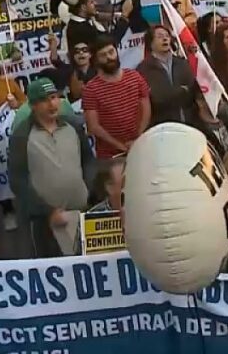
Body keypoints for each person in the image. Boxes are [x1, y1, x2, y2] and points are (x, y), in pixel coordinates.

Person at [8, 78, 95, 258]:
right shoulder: (22, 135)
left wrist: (89, 192)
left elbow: (88, 161)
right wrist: (48, 211)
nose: (52, 104)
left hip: (82, 214)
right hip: (46, 222)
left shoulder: (73, 126)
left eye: (54, 97)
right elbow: (18, 181)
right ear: (32, 105)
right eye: (44, 100)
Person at [83, 36, 151, 159]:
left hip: (140, 146)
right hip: (111, 156)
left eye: (111, 52)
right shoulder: (91, 89)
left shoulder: (135, 77)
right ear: (96, 60)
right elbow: (94, 127)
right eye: (103, 55)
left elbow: (146, 108)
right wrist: (121, 146)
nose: (109, 57)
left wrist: (137, 138)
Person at [137, 24, 196, 125]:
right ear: (150, 43)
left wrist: (170, 92)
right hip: (163, 125)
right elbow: (156, 98)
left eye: (167, 36)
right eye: (160, 36)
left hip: (188, 121)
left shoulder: (182, 63)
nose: (165, 39)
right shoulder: (143, 69)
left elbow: (192, 90)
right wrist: (181, 90)